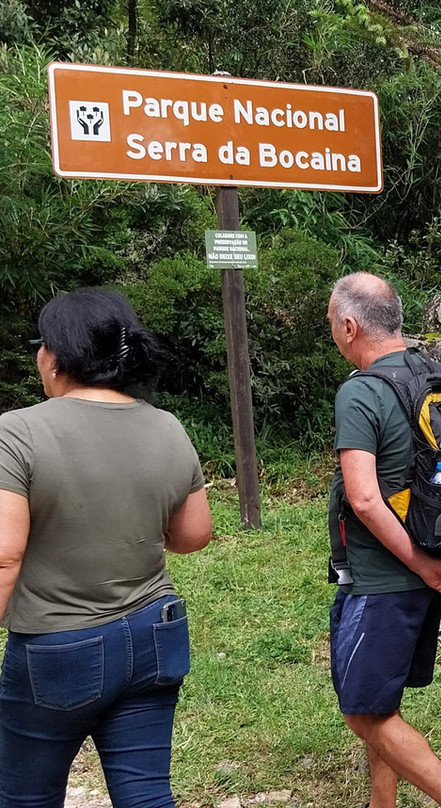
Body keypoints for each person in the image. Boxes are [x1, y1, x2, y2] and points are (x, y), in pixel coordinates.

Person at [0, 288, 212, 808]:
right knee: (145, 795)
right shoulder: (166, 425)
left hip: (58, 647)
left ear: (55, 354)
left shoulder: (18, 431)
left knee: (25, 797)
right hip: (155, 634)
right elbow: (192, 536)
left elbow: (4, 554)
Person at [326, 272, 441, 808]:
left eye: (332, 323)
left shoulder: (362, 390)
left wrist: (421, 564)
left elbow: (365, 499)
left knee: (363, 711)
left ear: (350, 325)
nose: (333, 332)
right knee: (383, 699)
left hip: (384, 577)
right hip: (430, 565)